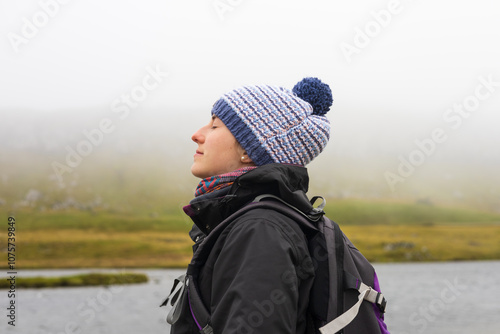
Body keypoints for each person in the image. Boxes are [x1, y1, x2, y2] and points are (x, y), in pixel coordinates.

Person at [169, 77, 333, 334]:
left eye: (214, 126)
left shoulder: (259, 231)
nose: (197, 135)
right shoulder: (255, 222)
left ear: (248, 149)